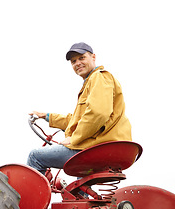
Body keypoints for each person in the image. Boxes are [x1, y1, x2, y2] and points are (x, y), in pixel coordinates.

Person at [27, 42, 132, 174]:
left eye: (82, 58)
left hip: (96, 147)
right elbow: (79, 120)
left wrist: (74, 138)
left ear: (93, 57)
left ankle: (32, 195)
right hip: (100, 147)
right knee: (76, 186)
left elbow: (98, 114)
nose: (77, 63)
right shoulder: (91, 83)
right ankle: (82, 195)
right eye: (73, 61)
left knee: (35, 156)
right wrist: (46, 116)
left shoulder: (99, 77)